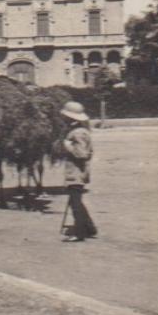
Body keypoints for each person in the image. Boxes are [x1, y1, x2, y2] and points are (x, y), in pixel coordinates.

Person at [60, 101, 98, 242]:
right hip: (77, 172)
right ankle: (90, 227)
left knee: (75, 203)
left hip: (76, 173)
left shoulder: (78, 133)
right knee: (76, 201)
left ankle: (80, 232)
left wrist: (67, 146)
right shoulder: (80, 131)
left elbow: (81, 154)